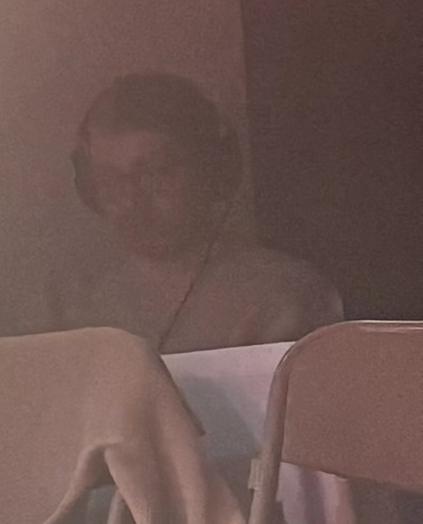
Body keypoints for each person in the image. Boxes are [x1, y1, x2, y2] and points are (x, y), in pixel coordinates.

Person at [51, 69, 340, 355]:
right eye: (111, 178)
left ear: (213, 169)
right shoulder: (80, 309)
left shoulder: (287, 295)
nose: (132, 199)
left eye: (157, 172)